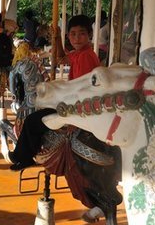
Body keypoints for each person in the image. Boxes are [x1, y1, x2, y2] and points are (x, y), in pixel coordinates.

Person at [8, 14, 100, 171]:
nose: (77, 38)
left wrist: (73, 118)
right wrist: (56, 38)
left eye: (82, 34)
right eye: (73, 34)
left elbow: (84, 90)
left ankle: (24, 157)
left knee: (33, 120)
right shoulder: (80, 53)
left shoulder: (86, 56)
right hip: (71, 101)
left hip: (77, 106)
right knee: (38, 113)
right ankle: (25, 153)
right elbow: (60, 58)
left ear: (90, 35)